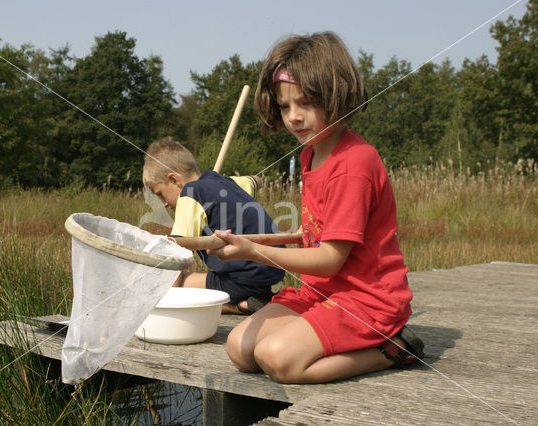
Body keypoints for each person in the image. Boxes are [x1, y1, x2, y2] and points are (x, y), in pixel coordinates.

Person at [208, 31, 424, 384]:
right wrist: (269, 239)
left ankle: (389, 350)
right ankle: (313, 337)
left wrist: (255, 251)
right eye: (284, 105)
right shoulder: (311, 153)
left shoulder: (354, 163)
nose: (293, 117)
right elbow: (318, 233)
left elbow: (330, 258)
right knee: (239, 348)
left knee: (277, 359)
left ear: (336, 94)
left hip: (365, 300)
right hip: (320, 292)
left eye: (305, 102)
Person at [142, 137, 285, 314]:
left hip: (245, 280)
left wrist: (163, 300)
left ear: (174, 180)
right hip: (274, 275)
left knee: (179, 284)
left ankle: (237, 306)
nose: (164, 203)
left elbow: (176, 255)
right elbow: (256, 180)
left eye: (161, 194)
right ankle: (249, 302)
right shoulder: (230, 182)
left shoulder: (190, 193)